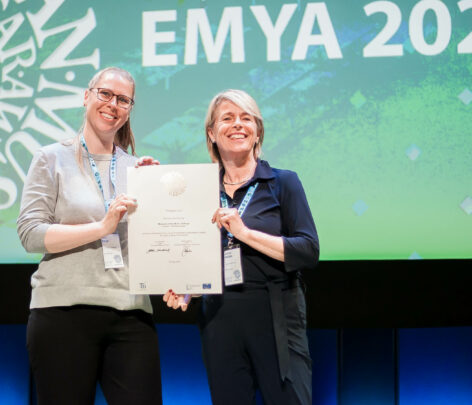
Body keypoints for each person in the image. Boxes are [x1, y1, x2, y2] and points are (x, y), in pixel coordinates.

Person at [164, 89, 319, 405]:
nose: (238, 124)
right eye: (228, 118)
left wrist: (244, 233)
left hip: (276, 312)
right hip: (220, 315)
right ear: (211, 133)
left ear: (257, 131)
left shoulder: (283, 182)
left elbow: (307, 250)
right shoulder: (198, 190)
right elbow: (193, 252)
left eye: (246, 118)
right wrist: (189, 288)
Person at [18, 67, 162, 405]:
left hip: (131, 312)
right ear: (87, 96)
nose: (113, 104)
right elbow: (30, 233)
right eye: (105, 94)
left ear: (129, 109)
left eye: (123, 100)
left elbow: (151, 243)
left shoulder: (139, 170)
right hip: (62, 311)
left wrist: (158, 193)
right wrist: (101, 227)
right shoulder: (51, 158)